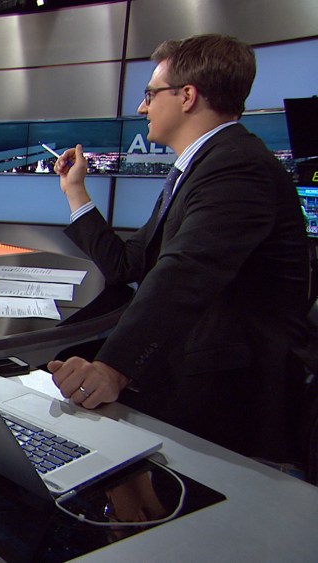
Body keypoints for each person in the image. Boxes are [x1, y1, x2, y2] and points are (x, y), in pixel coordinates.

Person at [47, 34, 311, 462]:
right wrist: (75, 191)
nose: (142, 107)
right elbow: (127, 264)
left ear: (187, 96)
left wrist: (113, 369)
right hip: (191, 364)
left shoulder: (237, 166)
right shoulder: (202, 167)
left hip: (229, 393)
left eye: (150, 94)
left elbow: (184, 273)